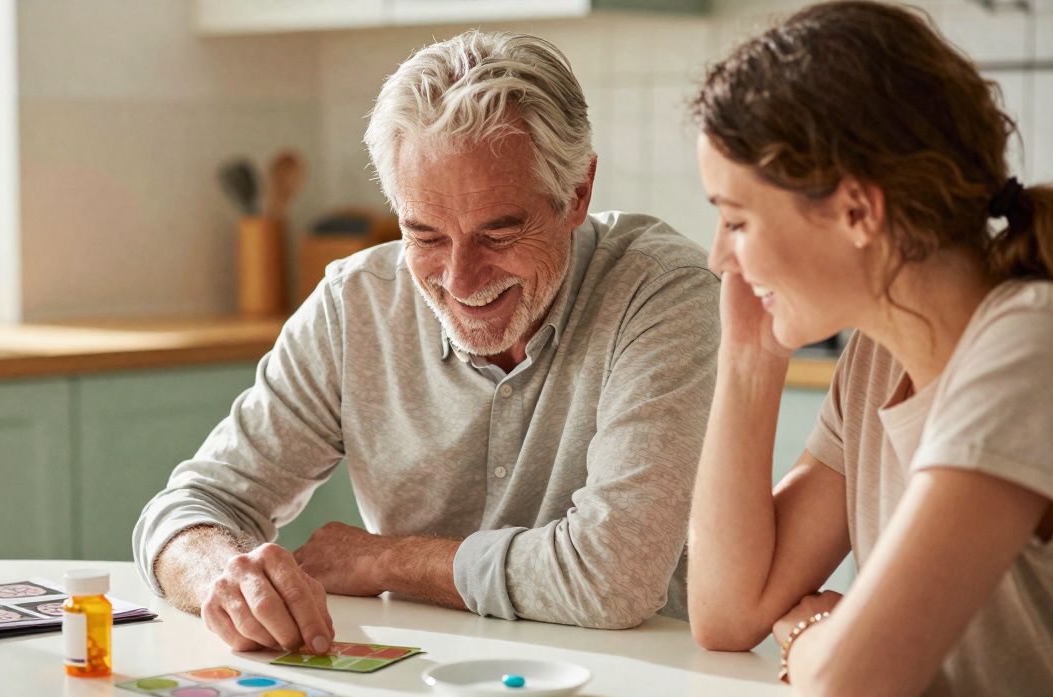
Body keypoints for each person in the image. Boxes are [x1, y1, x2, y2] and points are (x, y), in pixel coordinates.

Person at [134, 30, 719, 656]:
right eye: (426, 236)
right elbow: (191, 508)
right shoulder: (355, 303)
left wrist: (388, 562)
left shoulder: (663, 295)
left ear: (577, 195)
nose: (460, 279)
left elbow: (613, 578)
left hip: (639, 684)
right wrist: (227, 577)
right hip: (421, 682)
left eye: (499, 233)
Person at [686, 2, 1053, 697]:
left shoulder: (1027, 347)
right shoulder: (876, 361)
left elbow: (855, 689)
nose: (719, 259)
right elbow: (727, 613)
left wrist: (814, 634)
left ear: (858, 210)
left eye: (737, 221)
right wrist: (750, 359)